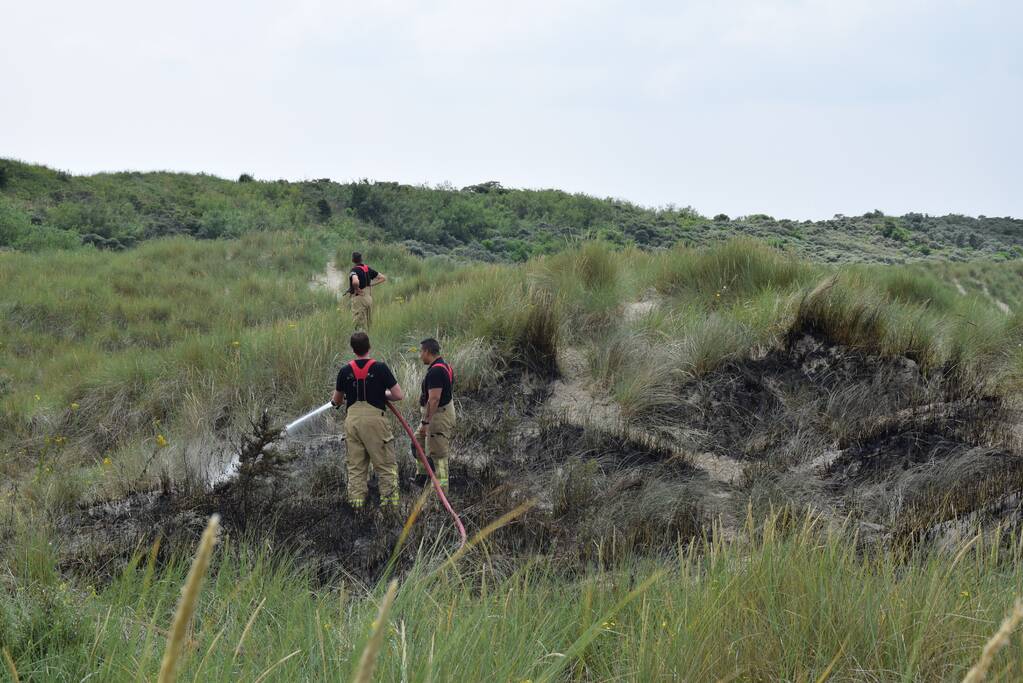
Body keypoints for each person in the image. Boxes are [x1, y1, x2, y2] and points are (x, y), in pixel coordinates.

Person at [331, 331, 404, 510]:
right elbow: (398, 395)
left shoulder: (344, 371)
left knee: (356, 469)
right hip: (375, 422)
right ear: (369, 347)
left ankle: (357, 510)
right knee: (386, 466)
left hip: (352, 422)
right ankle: (390, 510)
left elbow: (337, 400)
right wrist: (382, 393)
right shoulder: (380, 368)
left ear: (353, 349)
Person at [415, 338, 456, 491]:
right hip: (436, 415)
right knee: (417, 442)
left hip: (437, 418)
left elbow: (434, 399)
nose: (420, 356)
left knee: (439, 457)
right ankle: (423, 477)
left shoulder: (436, 371)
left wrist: (426, 423)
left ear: (427, 351)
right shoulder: (444, 366)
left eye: (421, 352)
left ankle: (441, 493)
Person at [348, 251, 386, 330]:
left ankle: (358, 339)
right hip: (368, 298)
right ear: (361, 259)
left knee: (358, 322)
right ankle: (368, 337)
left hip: (359, 298)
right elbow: (383, 278)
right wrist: (371, 284)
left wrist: (357, 289)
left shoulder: (353, 270)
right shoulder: (367, 268)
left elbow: (355, 281)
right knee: (368, 322)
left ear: (352, 260)